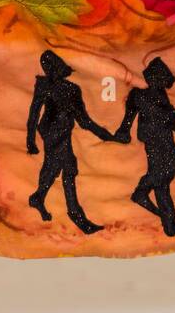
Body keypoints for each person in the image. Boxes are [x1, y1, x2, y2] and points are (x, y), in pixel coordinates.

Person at [26, 50, 117, 235]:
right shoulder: (44, 86)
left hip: (63, 133)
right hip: (51, 133)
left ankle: (39, 198)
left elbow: (84, 121)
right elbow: (34, 113)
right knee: (65, 169)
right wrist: (30, 141)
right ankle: (76, 215)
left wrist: (107, 136)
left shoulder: (73, 89)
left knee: (58, 169)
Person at [113, 58, 175, 237]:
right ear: (153, 78)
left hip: (166, 139)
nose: (164, 83)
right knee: (165, 173)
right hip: (154, 141)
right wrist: (123, 132)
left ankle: (170, 226)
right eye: (161, 78)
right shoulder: (138, 95)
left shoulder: (163, 99)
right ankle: (141, 191)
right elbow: (127, 119)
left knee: (163, 184)